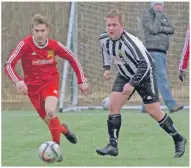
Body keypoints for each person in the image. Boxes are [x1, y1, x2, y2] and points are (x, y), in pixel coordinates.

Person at [96, 8, 186, 158]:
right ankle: (113, 145)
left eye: (114, 25)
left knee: (153, 111)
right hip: (124, 74)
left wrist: (132, 84)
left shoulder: (131, 42)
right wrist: (106, 68)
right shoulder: (103, 38)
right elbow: (105, 51)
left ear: (122, 26)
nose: (110, 28)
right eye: (108, 25)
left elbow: (145, 64)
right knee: (113, 105)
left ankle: (178, 138)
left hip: (145, 74)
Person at [4, 14, 89, 162]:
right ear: (32, 30)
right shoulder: (24, 45)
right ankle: (64, 130)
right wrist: (18, 82)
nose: (39, 34)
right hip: (32, 90)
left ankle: (56, 151)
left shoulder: (54, 46)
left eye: (42, 30)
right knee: (52, 124)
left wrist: (81, 80)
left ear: (48, 30)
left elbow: (72, 58)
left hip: (50, 84)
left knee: (51, 111)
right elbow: (8, 65)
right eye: (36, 30)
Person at [142, 1, 183, 113]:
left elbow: (172, 29)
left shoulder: (164, 16)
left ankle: (146, 107)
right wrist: (160, 20)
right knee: (161, 78)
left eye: (161, 5)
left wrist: (161, 27)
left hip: (162, 51)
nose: (159, 7)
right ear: (152, 5)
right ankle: (171, 104)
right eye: (156, 5)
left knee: (151, 79)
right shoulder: (147, 16)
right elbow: (153, 29)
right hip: (153, 52)